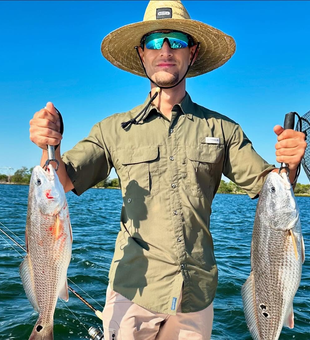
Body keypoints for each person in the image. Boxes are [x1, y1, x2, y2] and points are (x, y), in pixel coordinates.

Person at [29, 1, 306, 339]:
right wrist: (49, 144)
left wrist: (290, 165)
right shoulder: (111, 130)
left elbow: (271, 190)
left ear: (192, 52)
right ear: (141, 53)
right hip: (131, 293)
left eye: (175, 41)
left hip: (196, 298)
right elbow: (61, 181)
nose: (165, 50)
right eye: (154, 42)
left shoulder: (224, 130)